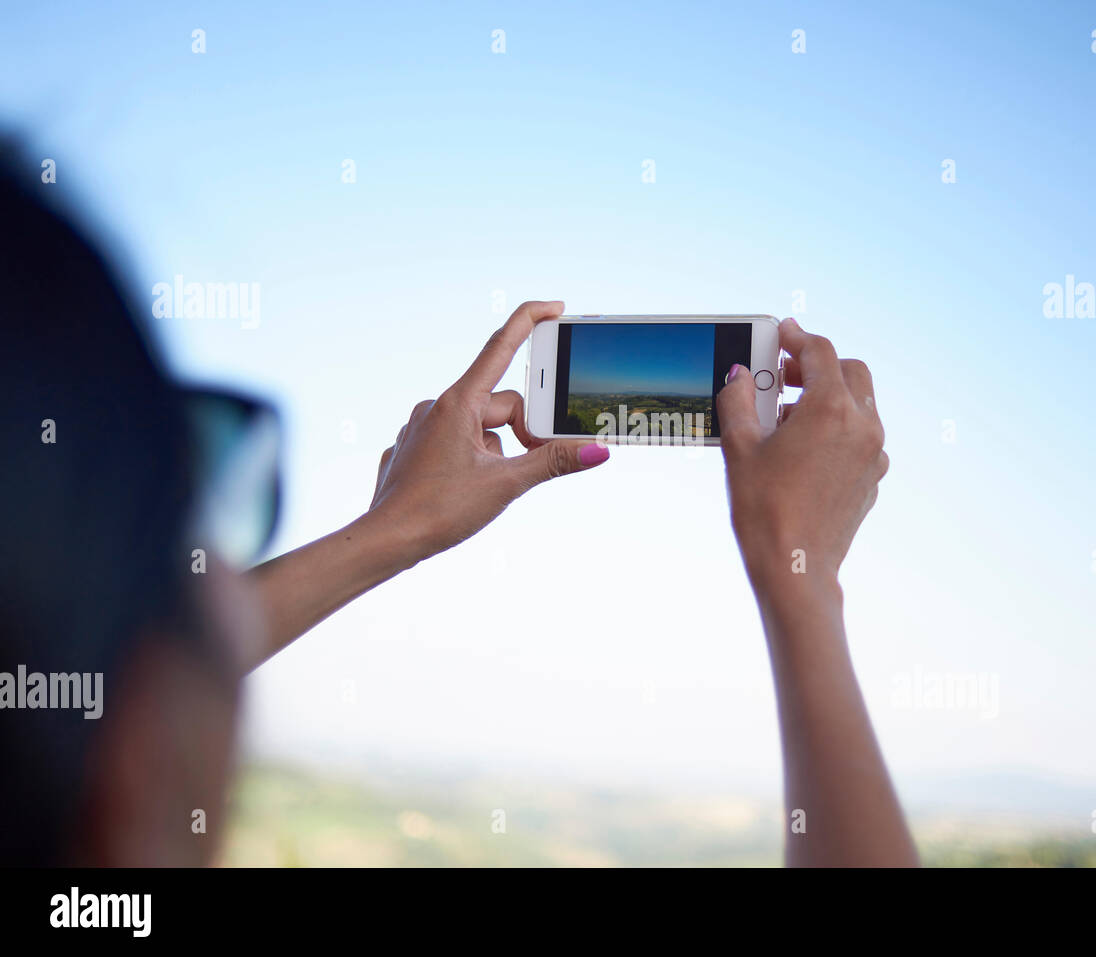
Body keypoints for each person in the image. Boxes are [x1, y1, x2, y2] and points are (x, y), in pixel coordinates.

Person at [0, 144, 914, 867]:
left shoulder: (99, 720)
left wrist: (392, 529)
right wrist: (800, 570)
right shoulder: (131, 732)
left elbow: (113, 680)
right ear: (131, 766)